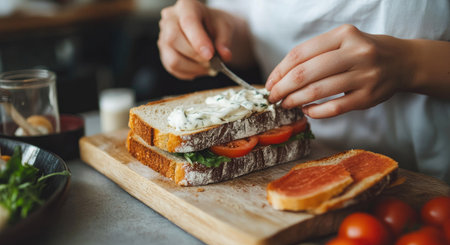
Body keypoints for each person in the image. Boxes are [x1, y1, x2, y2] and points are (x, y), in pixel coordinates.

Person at [157, 0, 450, 183]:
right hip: (300, 166)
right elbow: (250, 26)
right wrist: (215, 27)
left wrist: (412, 63)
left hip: (430, 181)